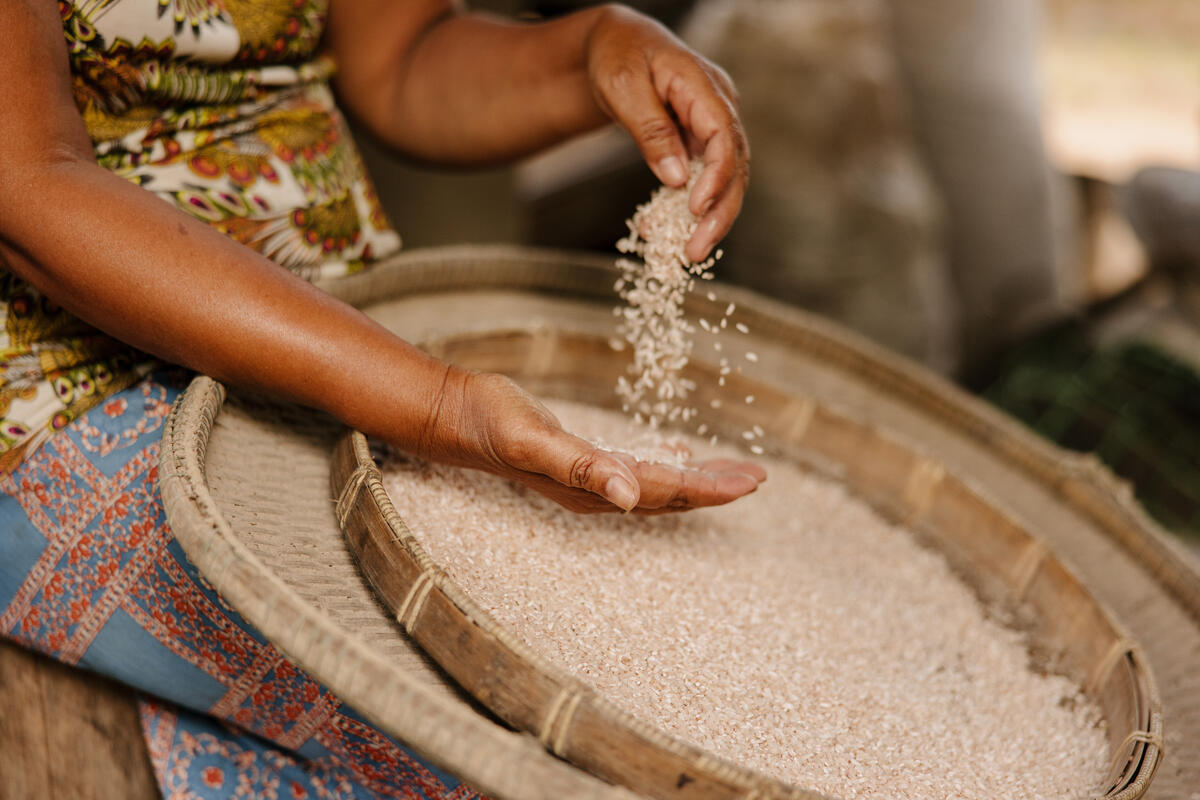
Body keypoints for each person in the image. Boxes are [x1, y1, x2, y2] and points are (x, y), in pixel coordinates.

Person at [0, 1, 756, 796]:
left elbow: (400, 59)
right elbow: (27, 182)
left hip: (342, 333)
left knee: (625, 673)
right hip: (66, 380)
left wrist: (595, 53)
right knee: (513, 748)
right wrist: (439, 409)